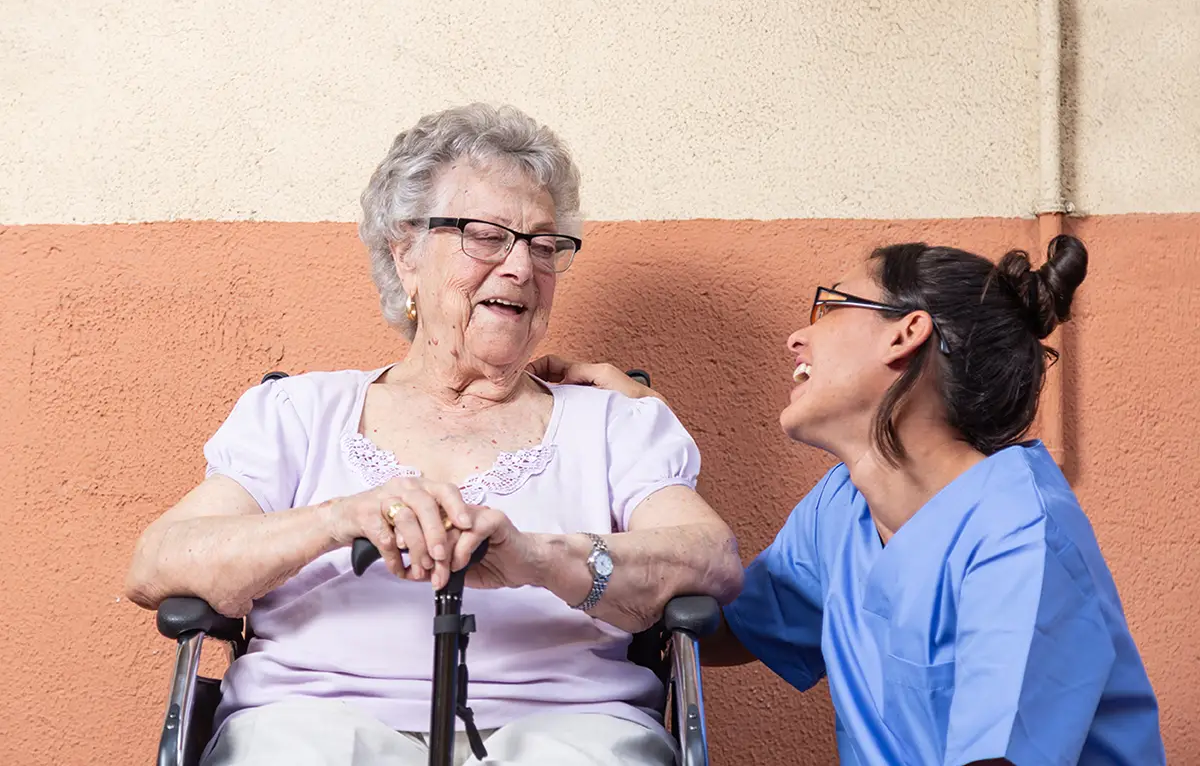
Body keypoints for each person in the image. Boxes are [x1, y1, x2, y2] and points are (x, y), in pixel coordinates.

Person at [124, 103, 743, 766]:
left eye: (542, 244)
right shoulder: (300, 413)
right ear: (406, 254)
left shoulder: (614, 421)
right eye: (486, 236)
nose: (520, 268)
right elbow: (160, 563)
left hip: (569, 726)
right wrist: (340, 519)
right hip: (313, 724)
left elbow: (711, 557)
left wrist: (538, 559)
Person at [531, 235, 1167, 765]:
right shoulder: (842, 509)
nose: (795, 340)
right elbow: (716, 626)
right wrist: (639, 432)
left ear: (906, 334)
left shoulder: (1020, 535)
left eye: (827, 309)